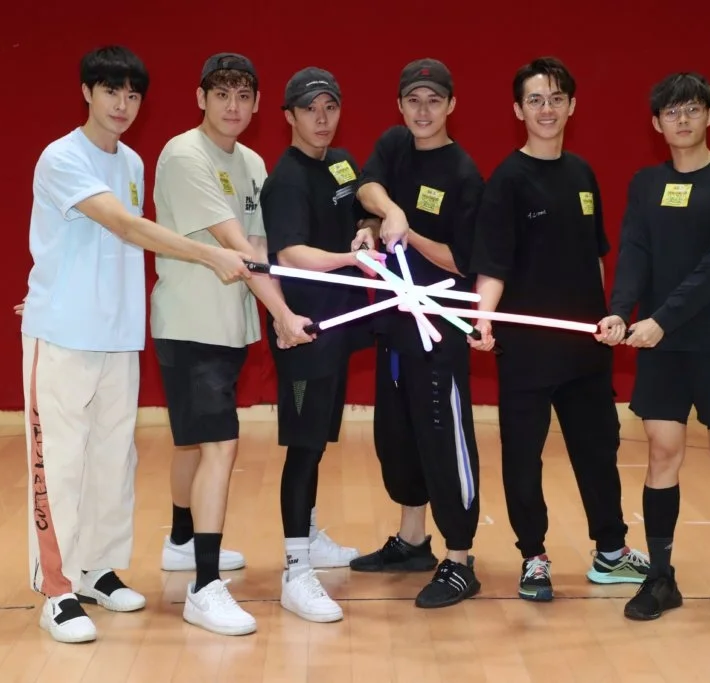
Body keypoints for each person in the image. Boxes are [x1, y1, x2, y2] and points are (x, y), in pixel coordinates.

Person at [20, 45, 257, 644]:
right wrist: (209, 254)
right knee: (60, 463)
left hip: (119, 336)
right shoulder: (61, 156)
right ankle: (57, 589)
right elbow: (124, 226)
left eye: (132, 95)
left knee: (112, 460)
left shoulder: (130, 161)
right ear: (86, 92)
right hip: (64, 335)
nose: (122, 105)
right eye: (111, 92)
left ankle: (96, 570)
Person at [596, 72, 710, 622]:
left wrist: (661, 320)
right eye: (671, 112)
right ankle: (660, 578)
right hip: (663, 348)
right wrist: (620, 310)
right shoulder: (646, 184)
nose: (682, 119)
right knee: (662, 454)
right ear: (656, 123)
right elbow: (634, 251)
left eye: (692, 109)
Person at [467, 56, 650, 602]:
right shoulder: (507, 181)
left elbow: (595, 258)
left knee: (598, 450)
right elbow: (492, 266)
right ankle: (534, 556)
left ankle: (611, 551)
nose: (546, 109)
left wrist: (607, 315)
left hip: (585, 349)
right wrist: (483, 319)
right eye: (535, 100)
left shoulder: (582, 174)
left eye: (555, 99)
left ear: (572, 106)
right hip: (527, 350)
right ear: (518, 110)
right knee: (523, 457)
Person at [150, 53, 315, 636]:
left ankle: (181, 540)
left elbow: (262, 247)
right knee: (220, 445)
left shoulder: (250, 162)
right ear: (201, 98)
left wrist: (275, 312)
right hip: (191, 325)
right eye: (221, 94)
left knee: (193, 443)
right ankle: (204, 585)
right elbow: (236, 246)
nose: (233, 106)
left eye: (244, 95)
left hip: (229, 326)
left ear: (257, 103)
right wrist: (285, 315)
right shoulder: (184, 155)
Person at [347, 58, 483, 609]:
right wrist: (382, 218)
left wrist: (411, 233)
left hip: (439, 330)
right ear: (400, 105)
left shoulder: (465, 174)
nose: (422, 111)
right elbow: (366, 187)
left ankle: (461, 559)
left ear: (451, 105)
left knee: (444, 441)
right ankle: (412, 541)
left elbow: (463, 261)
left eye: (434, 100)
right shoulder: (394, 144)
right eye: (413, 100)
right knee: (397, 438)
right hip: (394, 325)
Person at [259, 67, 378, 623]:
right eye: (310, 109)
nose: (322, 118)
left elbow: (356, 207)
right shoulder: (285, 180)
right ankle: (295, 568)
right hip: (304, 331)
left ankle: (306, 533)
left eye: (330, 107)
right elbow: (290, 254)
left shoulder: (341, 162)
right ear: (289, 116)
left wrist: (367, 228)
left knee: (320, 441)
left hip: (339, 324)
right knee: (303, 448)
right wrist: (351, 259)